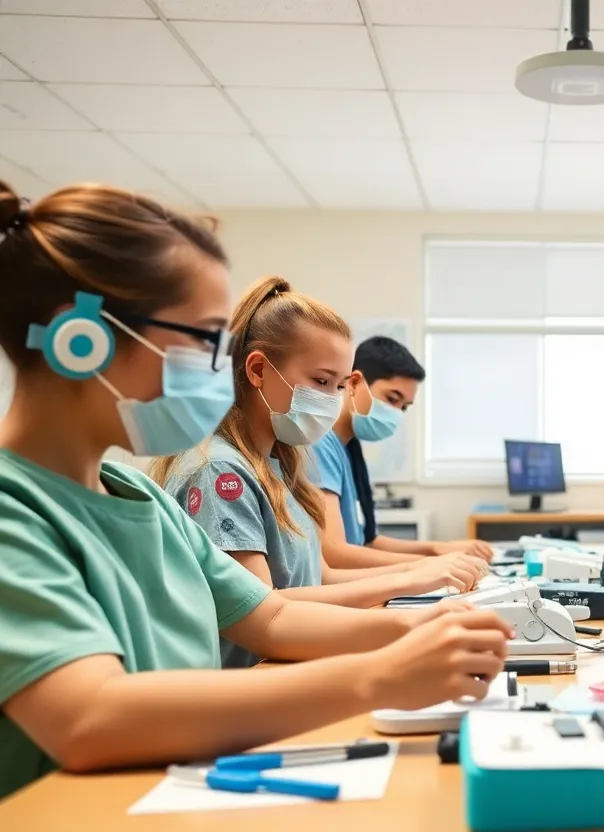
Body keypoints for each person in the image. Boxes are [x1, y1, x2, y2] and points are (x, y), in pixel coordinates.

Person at [0, 181, 511, 799]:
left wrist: (429, 632)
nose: (218, 367)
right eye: (201, 339)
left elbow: (271, 615)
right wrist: (378, 677)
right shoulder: (14, 510)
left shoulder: (143, 499)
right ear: (80, 337)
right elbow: (89, 717)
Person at [152, 278, 487, 667]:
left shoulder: (280, 465)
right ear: (258, 370)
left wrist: (427, 573)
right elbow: (266, 609)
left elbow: (321, 576)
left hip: (290, 667)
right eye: (322, 381)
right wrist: (410, 584)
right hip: (244, 684)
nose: (332, 400)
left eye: (340, 386)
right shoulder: (218, 473)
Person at [311, 335, 493, 563]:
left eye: (404, 407)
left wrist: (439, 548)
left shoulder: (350, 448)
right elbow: (336, 554)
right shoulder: (320, 443)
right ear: (354, 383)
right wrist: (432, 564)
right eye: (392, 398)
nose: (395, 412)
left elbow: (368, 541)